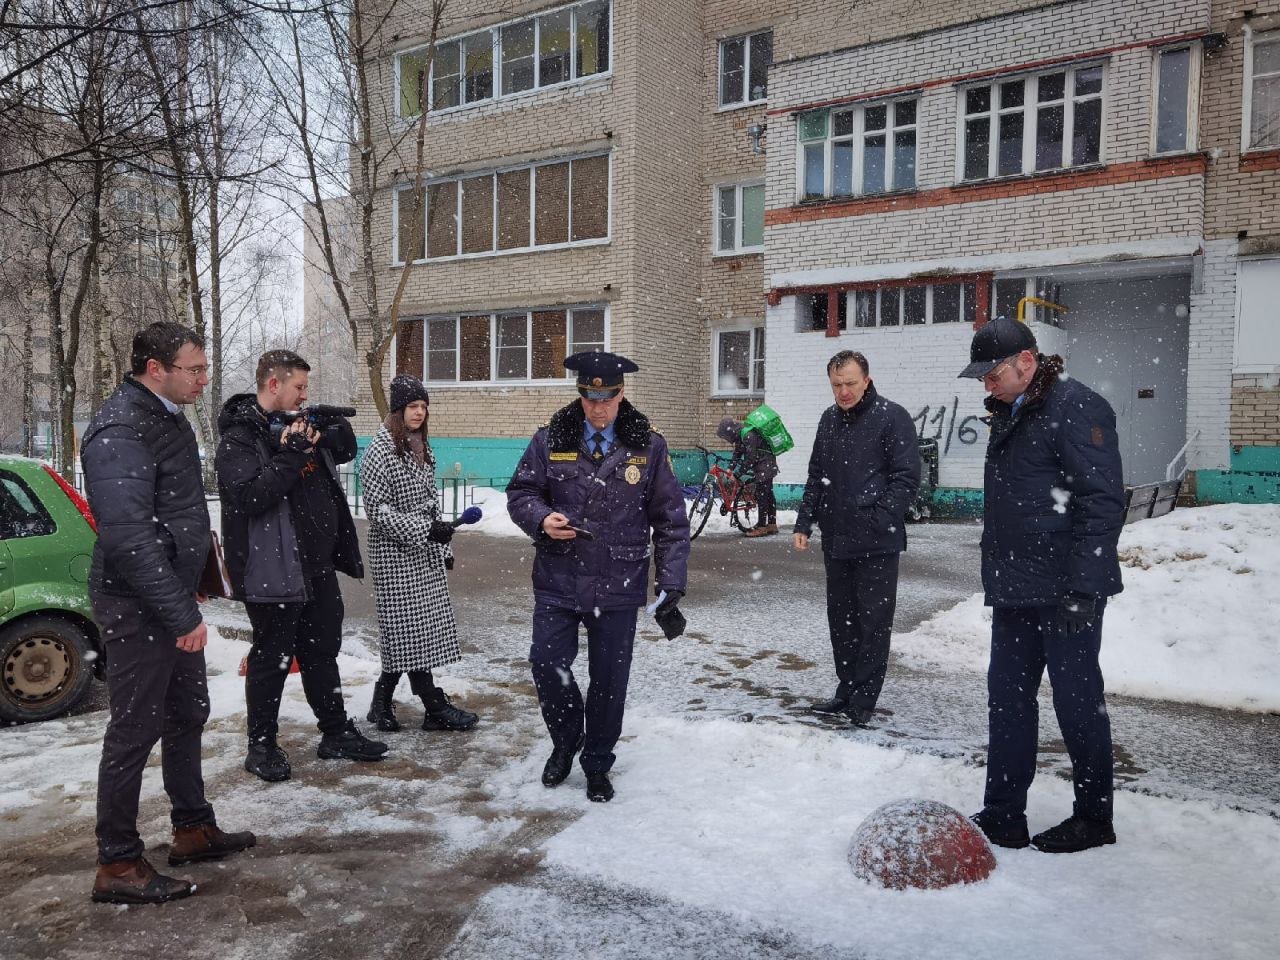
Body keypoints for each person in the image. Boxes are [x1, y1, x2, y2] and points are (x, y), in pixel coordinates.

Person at [81, 322, 255, 905]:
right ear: (155, 368)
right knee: (134, 728)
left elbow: (173, 512)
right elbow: (129, 536)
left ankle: (192, 827)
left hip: (167, 596)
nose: (204, 380)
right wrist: (179, 613)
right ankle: (117, 862)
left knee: (186, 711)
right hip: (136, 603)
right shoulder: (121, 428)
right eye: (194, 370)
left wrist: (192, 577)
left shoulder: (164, 416)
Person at [959, 318, 1125, 854]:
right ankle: (1004, 814)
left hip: (1065, 590)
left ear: (1027, 363)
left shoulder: (1077, 406)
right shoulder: (1012, 409)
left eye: (993, 374)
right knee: (1007, 700)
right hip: (1017, 584)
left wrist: (1084, 588)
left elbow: (1101, 502)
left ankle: (1094, 819)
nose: (986, 384)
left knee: (1078, 704)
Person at [507, 352, 690, 802]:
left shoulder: (648, 445)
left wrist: (670, 581)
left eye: (607, 398)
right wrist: (541, 517)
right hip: (559, 575)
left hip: (618, 579)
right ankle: (567, 739)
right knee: (546, 663)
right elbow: (521, 492)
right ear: (580, 395)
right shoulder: (551, 438)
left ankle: (597, 761)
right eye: (590, 399)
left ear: (621, 394)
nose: (598, 408)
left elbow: (670, 520)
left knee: (609, 679)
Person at [215, 350, 386, 783]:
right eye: (299, 387)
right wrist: (291, 454)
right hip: (271, 569)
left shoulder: (299, 424)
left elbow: (344, 450)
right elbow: (251, 496)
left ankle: (335, 732)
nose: (305, 395)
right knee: (271, 658)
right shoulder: (240, 437)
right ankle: (261, 746)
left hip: (316, 566)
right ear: (274, 384)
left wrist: (332, 427)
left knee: (322, 651)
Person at [793, 350, 920, 726]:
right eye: (836, 385)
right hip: (837, 539)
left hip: (877, 542)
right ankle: (846, 690)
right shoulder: (828, 420)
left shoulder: (892, 417)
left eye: (850, 383)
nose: (843, 392)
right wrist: (804, 522)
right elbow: (816, 475)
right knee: (841, 620)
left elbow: (906, 477)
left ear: (866, 380)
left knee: (873, 623)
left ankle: (864, 698)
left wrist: (879, 519)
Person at [361, 375, 478, 733]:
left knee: (412, 633)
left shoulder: (422, 448)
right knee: (407, 631)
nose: (419, 412)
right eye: (413, 406)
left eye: (424, 406)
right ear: (398, 409)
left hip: (424, 553)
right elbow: (377, 511)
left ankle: (382, 702)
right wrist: (425, 530)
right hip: (393, 554)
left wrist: (443, 545)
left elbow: (430, 504)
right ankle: (433, 705)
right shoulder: (379, 451)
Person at [716, 416, 779, 537]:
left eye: (726, 436)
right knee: (768, 494)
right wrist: (730, 468)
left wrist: (737, 475)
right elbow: (737, 453)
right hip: (765, 465)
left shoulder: (748, 435)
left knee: (762, 495)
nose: (727, 439)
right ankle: (772, 525)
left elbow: (750, 459)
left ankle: (761, 527)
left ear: (731, 431)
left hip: (765, 465)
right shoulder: (740, 436)